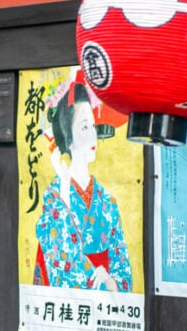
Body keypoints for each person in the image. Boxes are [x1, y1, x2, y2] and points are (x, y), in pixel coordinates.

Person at [33, 81, 133, 291]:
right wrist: (64, 185)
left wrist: (110, 281)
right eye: (84, 127)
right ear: (67, 136)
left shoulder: (108, 202)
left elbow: (124, 272)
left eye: (93, 127)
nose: (92, 135)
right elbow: (61, 265)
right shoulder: (54, 196)